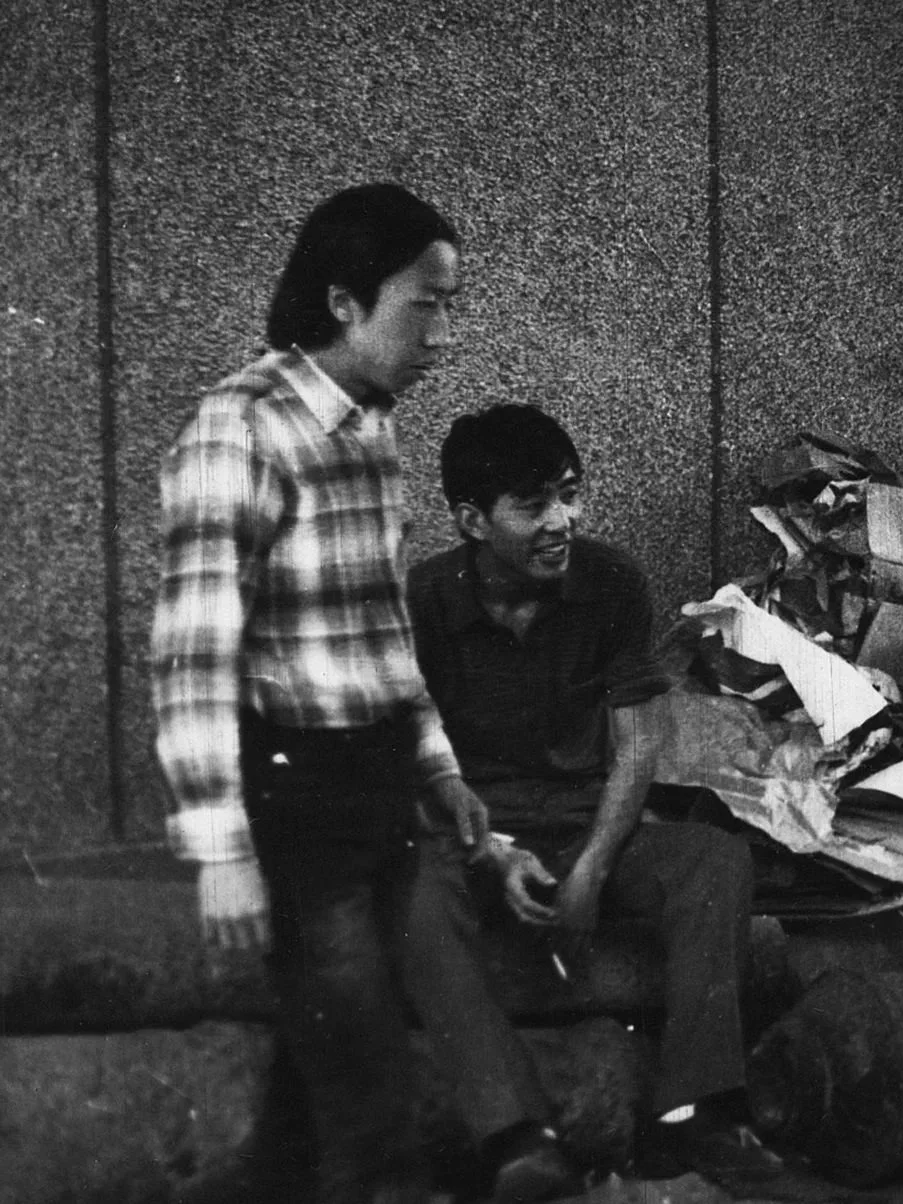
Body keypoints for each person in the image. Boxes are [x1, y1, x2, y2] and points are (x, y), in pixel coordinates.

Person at [152, 182, 488, 1204]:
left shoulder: (373, 426)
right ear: (345, 301)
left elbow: (377, 626)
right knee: (370, 1086)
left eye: (449, 304)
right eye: (424, 304)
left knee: (334, 1061)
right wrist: (218, 851)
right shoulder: (240, 429)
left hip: (378, 785)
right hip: (295, 794)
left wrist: (438, 767)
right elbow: (194, 650)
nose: (444, 332)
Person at [400, 404, 772, 1199]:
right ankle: (515, 1136)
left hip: (586, 821)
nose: (561, 521)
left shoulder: (610, 584)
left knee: (714, 861)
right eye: (533, 505)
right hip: (474, 834)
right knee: (409, 889)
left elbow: (638, 746)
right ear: (471, 520)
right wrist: (491, 853)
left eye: (570, 494)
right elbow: (410, 763)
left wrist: (593, 870)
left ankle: (697, 1111)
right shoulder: (423, 603)